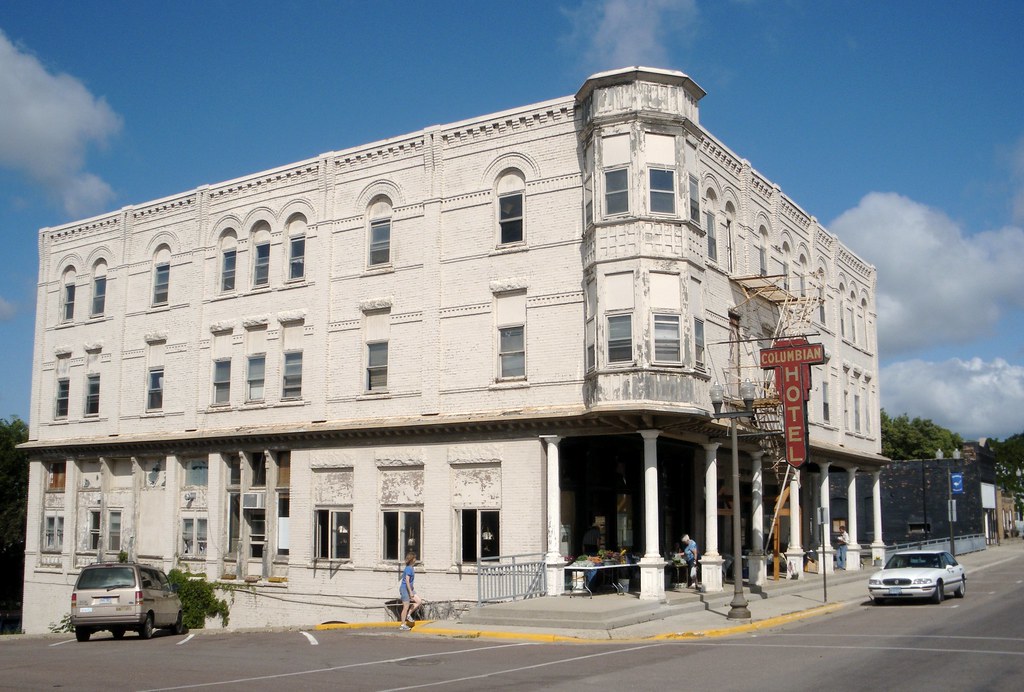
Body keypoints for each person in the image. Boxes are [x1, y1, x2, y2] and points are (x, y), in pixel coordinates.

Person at [398, 552, 422, 630]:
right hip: (405, 589)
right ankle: (402, 625)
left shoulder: (411, 568)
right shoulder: (408, 568)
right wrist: (410, 592)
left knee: (418, 601)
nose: (415, 559)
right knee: (406, 606)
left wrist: (412, 589)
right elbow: (407, 581)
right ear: (412, 559)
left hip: (410, 589)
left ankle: (409, 614)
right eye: (414, 558)